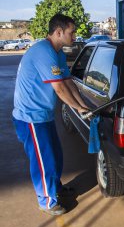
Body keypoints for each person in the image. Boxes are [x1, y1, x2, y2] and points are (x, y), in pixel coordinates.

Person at [12, 14, 89, 216]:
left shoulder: (58, 53)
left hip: (43, 114)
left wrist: (83, 105)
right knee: (43, 160)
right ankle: (46, 200)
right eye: (71, 32)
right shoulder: (44, 52)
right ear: (58, 32)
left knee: (55, 155)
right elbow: (59, 89)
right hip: (30, 117)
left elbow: (68, 82)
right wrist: (78, 109)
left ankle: (55, 188)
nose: (74, 36)